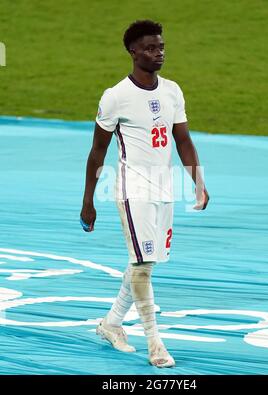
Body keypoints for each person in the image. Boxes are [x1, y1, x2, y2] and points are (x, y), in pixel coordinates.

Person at [80, 20, 209, 368]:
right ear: (133, 52)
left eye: (162, 47)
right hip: (132, 190)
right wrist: (88, 200)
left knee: (145, 263)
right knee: (141, 264)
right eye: (151, 48)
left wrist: (197, 181)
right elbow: (97, 152)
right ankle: (155, 342)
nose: (159, 53)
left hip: (164, 190)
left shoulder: (172, 91)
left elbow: (182, 140)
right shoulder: (115, 96)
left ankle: (111, 325)